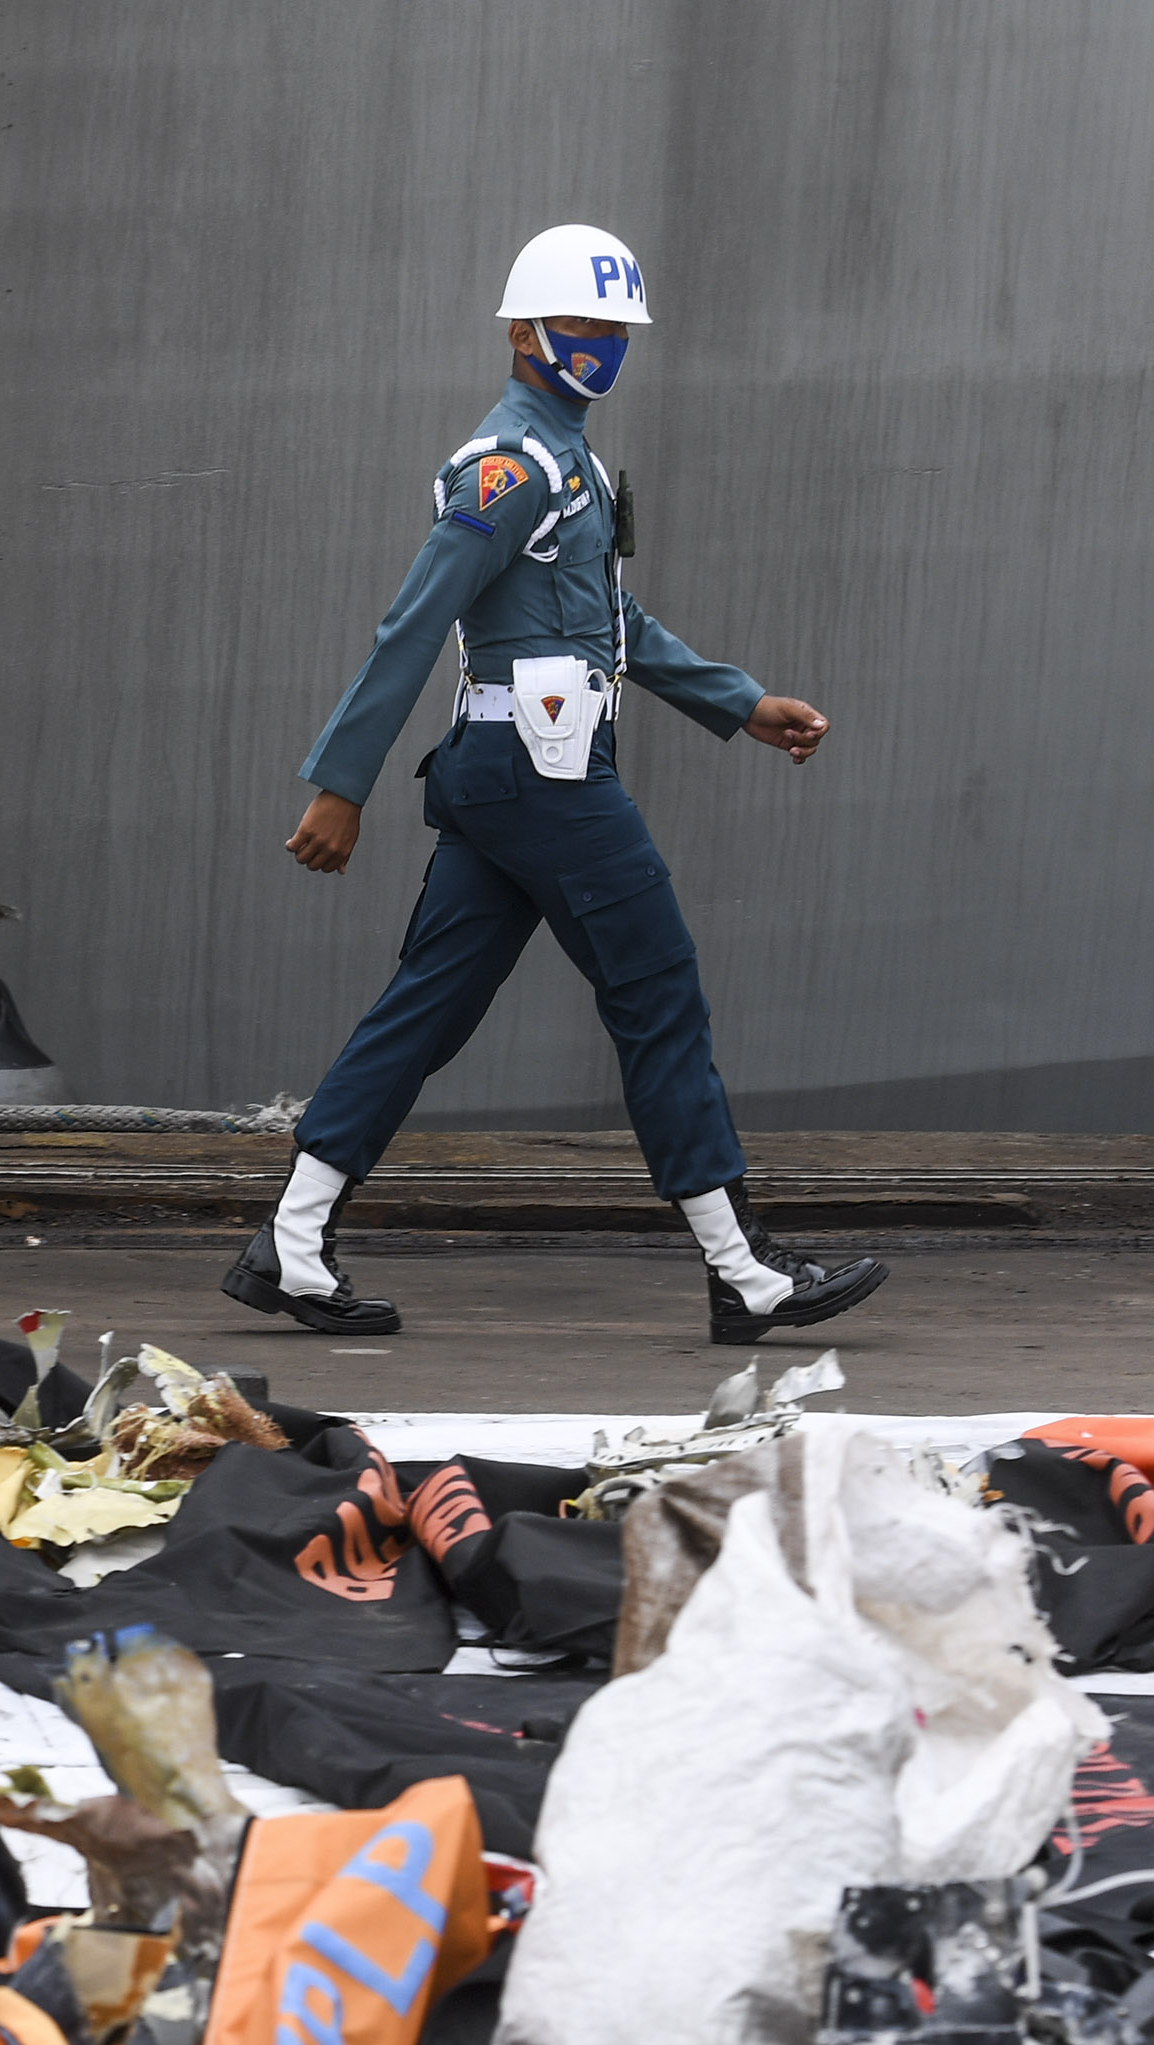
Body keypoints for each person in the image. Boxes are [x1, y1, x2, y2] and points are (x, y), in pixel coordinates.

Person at [230, 225, 885, 1348]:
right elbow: (413, 622)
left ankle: (291, 1244)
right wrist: (341, 782)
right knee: (657, 990)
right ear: (521, 331)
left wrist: (734, 699)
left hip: (518, 774)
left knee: (425, 1007)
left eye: (612, 329)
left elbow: (609, 624)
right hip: (541, 776)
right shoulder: (512, 468)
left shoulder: (564, 464)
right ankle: (744, 1273)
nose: (599, 346)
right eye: (580, 325)